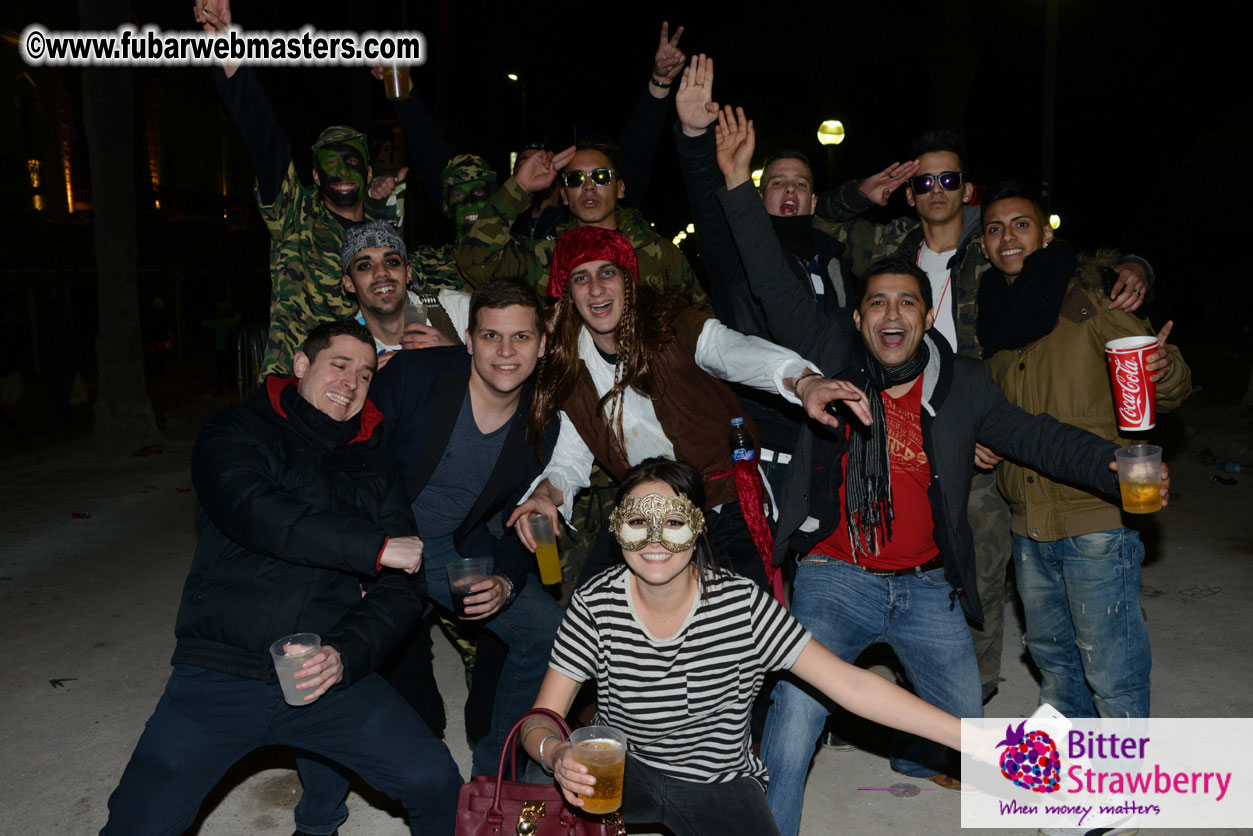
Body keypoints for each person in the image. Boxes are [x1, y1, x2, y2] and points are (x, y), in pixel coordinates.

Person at [711, 104, 1171, 836]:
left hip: (927, 588)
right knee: (795, 711)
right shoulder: (829, 354)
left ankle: (1070, 808)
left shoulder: (965, 383)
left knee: (967, 730)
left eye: (906, 304)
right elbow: (770, 282)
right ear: (857, 319)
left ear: (927, 320)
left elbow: (1036, 436)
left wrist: (1112, 462)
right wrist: (737, 184)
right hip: (835, 577)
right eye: (876, 305)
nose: (890, 316)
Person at [812, 128, 1156, 704]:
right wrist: (855, 194)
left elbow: (1074, 261)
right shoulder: (888, 247)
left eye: (949, 179)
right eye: (924, 181)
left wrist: (1135, 265)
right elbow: (808, 235)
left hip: (980, 430)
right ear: (909, 192)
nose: (937, 190)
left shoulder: (993, 248)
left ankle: (969, 699)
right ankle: (914, 702)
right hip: (895, 432)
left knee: (983, 574)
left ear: (966, 188)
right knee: (903, 563)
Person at [98, 320, 462, 836]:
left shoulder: (377, 467)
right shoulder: (236, 432)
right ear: (300, 366)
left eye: (364, 374)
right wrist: (372, 547)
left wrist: (347, 655)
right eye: (339, 365)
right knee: (139, 820)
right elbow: (258, 512)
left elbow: (404, 586)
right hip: (223, 669)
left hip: (325, 671)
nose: (352, 382)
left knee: (436, 781)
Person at [518, 458, 965, 836]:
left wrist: (969, 739)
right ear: (618, 530)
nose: (655, 539)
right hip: (624, 769)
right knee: (536, 796)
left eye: (673, 522)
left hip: (718, 781)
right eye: (638, 522)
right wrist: (556, 753)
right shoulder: (595, 602)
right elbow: (540, 721)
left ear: (697, 528)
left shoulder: (742, 605)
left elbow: (850, 685)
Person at [511, 226, 834, 595]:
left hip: (722, 504)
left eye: (607, 272)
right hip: (644, 513)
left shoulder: (672, 326)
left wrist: (802, 380)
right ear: (568, 292)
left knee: (733, 623)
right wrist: (544, 495)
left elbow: (730, 350)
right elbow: (570, 459)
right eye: (581, 278)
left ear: (628, 280)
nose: (596, 289)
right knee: (594, 609)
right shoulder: (571, 367)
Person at [977, 181, 1190, 727]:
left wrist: (1165, 371)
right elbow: (994, 411)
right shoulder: (993, 319)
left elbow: (1162, 382)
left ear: (1046, 233)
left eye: (1021, 224)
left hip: (1095, 511)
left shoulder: (1092, 301)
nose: (1008, 237)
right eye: (995, 228)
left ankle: (1122, 793)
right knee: (1055, 665)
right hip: (1028, 520)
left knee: (1110, 668)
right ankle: (1077, 779)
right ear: (983, 246)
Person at [672, 55, 856, 505]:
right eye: (777, 183)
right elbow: (710, 211)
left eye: (799, 184)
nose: (789, 191)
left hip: (831, 441)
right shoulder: (737, 258)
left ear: (814, 200)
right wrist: (695, 139)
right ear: (757, 195)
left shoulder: (840, 265)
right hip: (762, 440)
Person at [196, 0, 407, 377]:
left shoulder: (384, 240)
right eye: (329, 163)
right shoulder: (296, 217)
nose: (341, 171)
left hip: (364, 392)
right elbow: (264, 137)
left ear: (369, 170)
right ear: (314, 176)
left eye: (352, 161)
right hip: (293, 392)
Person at [456, 139, 709, 309]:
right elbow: (475, 262)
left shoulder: (660, 254)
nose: (588, 186)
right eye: (576, 179)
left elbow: (699, 327)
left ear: (620, 188)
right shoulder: (548, 258)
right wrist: (518, 188)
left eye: (601, 176)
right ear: (564, 195)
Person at [340, 220, 470, 365]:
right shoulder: (342, 346)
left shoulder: (460, 310)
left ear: (408, 273)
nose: (381, 273)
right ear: (349, 283)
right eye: (365, 266)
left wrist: (452, 354)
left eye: (391, 262)